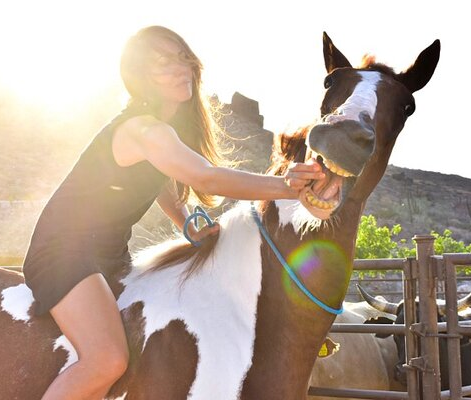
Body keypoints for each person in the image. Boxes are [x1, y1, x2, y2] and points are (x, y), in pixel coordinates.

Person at [22, 25, 324, 400]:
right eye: (163, 63)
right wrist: (287, 186)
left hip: (106, 257)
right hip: (62, 255)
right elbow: (206, 177)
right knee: (106, 360)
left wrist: (185, 221)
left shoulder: (159, 132)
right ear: (141, 77)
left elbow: (159, 181)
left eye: (182, 58)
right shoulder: (143, 129)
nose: (181, 69)